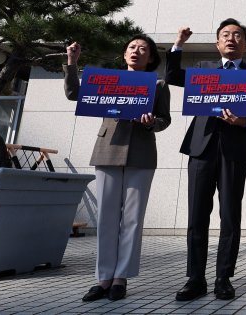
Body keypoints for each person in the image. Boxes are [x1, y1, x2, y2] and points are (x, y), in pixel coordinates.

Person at [166, 18, 246, 301]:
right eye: (226, 35)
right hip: (201, 148)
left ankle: (223, 278)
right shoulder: (202, 69)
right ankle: (195, 278)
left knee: (230, 216)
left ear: (245, 44)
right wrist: (178, 44)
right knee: (197, 216)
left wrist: (242, 121)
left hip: (234, 151)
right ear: (217, 43)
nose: (231, 39)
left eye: (237, 35)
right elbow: (173, 76)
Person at [64, 35, 171, 302]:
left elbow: (164, 120)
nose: (136, 51)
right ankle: (103, 278)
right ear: (124, 55)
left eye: (143, 49)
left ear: (151, 58)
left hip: (141, 153)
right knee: (107, 218)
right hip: (108, 149)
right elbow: (73, 94)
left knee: (132, 220)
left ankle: (121, 278)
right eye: (132, 48)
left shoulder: (158, 85)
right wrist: (72, 62)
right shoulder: (107, 80)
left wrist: (151, 122)